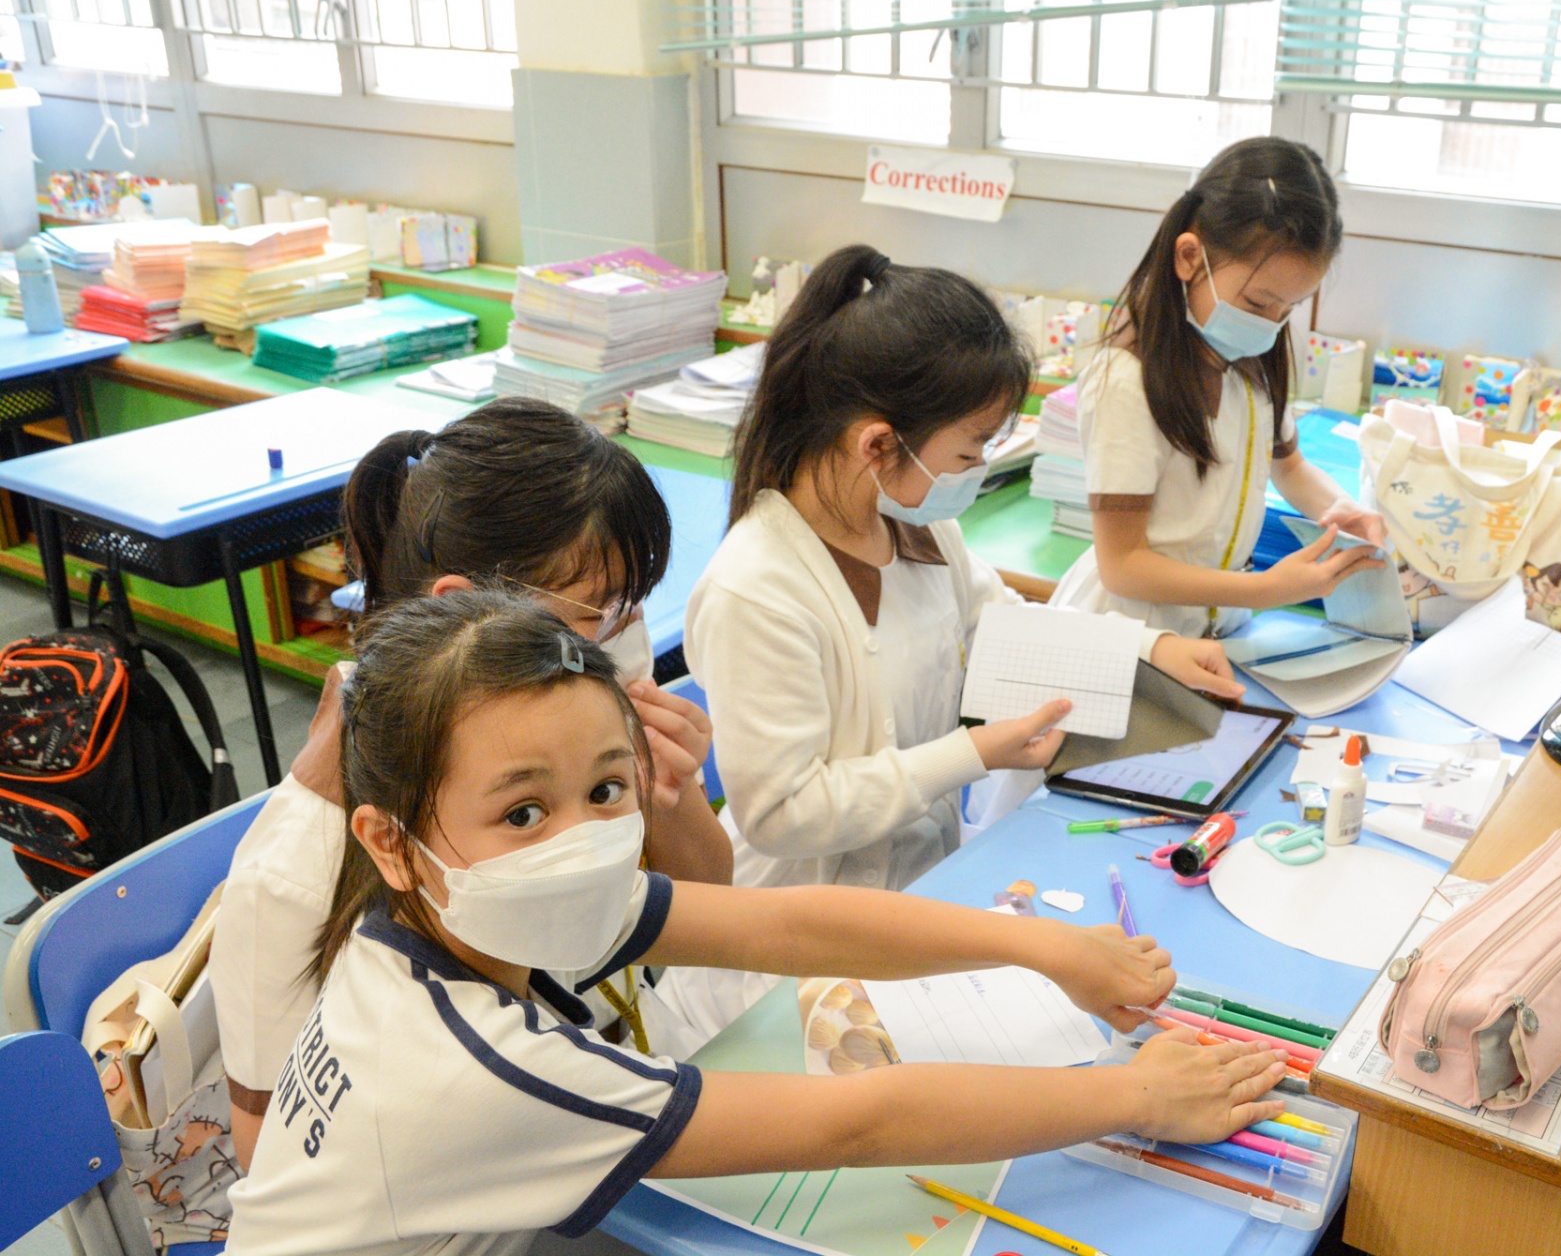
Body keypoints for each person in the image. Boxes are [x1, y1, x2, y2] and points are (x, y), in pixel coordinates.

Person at [225, 591, 1289, 1255]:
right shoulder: (472, 1064)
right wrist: (1134, 1094)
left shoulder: (480, 904)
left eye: (607, 789)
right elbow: (854, 1124)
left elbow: (779, 926)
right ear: (390, 839)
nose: (583, 836)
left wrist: (1041, 943)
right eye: (523, 810)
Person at [210, 398, 733, 1169]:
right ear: (463, 608)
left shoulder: (560, 725)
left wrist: (663, 787)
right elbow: (269, 1148)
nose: (625, 637)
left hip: (601, 1094)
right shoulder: (297, 875)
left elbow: (710, 903)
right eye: (600, 612)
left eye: (632, 608)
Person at [687, 243, 1242, 896]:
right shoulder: (756, 591)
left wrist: (1152, 649)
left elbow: (1005, 631)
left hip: (924, 884)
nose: (980, 467)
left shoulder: (914, 527)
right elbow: (783, 814)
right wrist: (973, 755)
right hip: (801, 920)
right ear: (877, 444)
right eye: (971, 448)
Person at [1050, 137, 1389, 639]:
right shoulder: (1126, 381)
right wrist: (1265, 589)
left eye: (1289, 308)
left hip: (1218, 626)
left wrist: (1343, 512)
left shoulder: (1250, 360)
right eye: (1257, 304)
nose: (1271, 324)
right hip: (1132, 632)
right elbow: (1122, 565)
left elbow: (1290, 467)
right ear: (1190, 258)